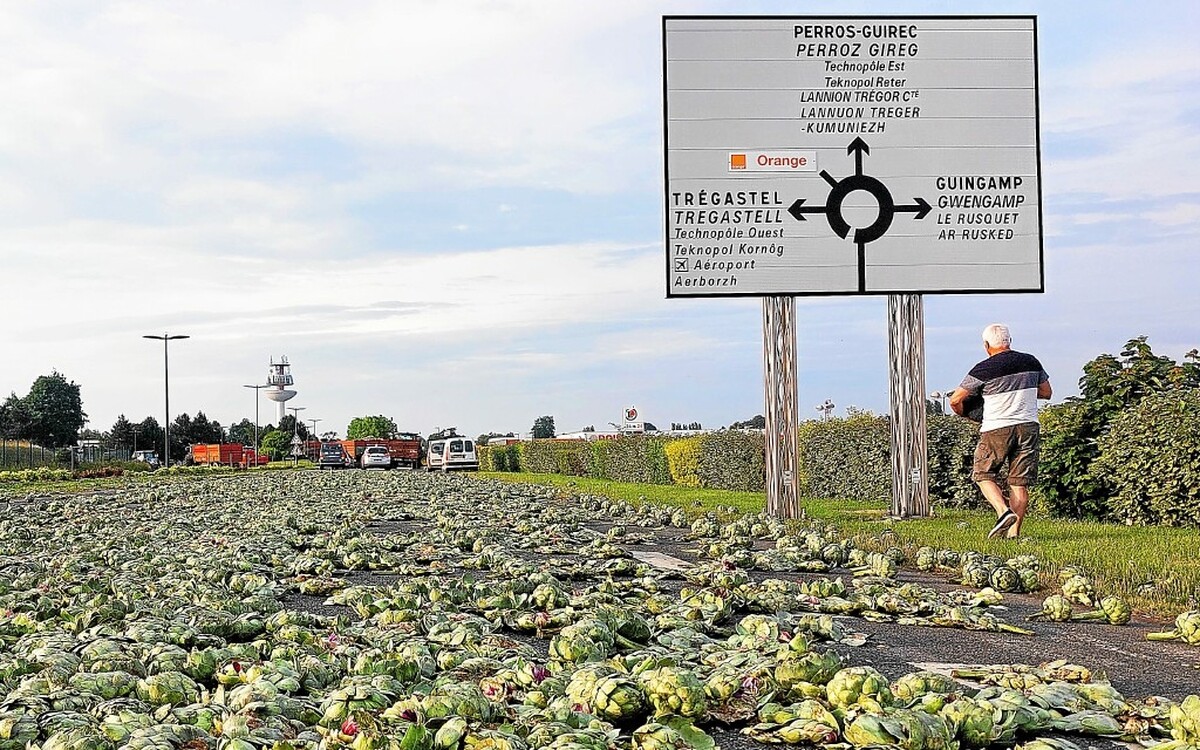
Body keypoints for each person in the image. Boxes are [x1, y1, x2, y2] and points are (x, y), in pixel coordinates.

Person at [950, 324, 1052, 539]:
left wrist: (965, 413)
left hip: (996, 427)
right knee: (1019, 482)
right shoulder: (1031, 361)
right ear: (1010, 340)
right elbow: (1046, 392)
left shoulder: (983, 369)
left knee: (983, 473)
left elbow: (955, 399)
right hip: (1028, 426)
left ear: (986, 345)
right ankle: (1013, 535)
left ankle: (1003, 512)